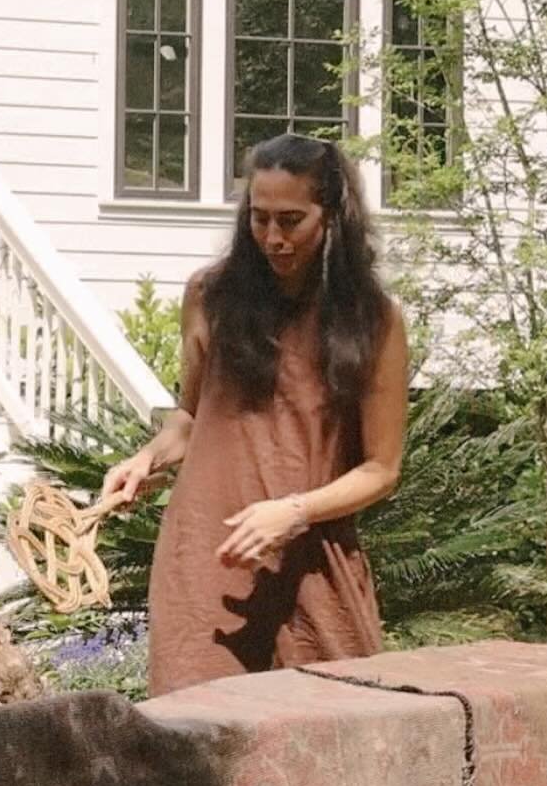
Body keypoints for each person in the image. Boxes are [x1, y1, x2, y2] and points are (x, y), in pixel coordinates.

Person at [102, 133, 408, 698]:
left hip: (313, 567)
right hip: (207, 559)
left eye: (291, 220)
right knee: (197, 738)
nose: (272, 237)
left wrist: (295, 512)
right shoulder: (210, 296)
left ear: (333, 215)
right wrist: (146, 459)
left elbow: (381, 469)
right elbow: (191, 418)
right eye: (259, 218)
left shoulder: (374, 322)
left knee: (343, 732)